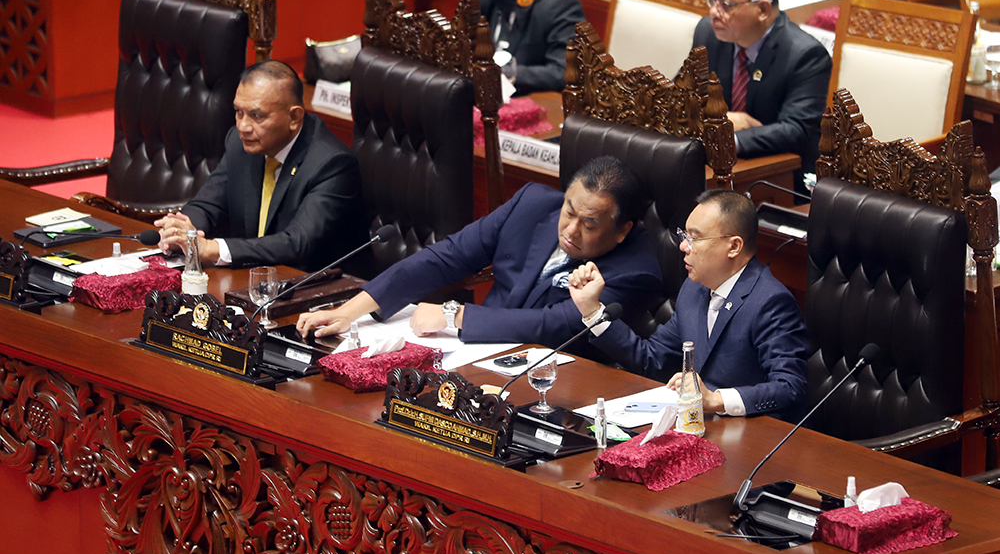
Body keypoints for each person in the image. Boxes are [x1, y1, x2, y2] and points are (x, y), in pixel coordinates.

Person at [297, 156, 662, 350]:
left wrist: (454, 315)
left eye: (590, 224)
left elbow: (554, 325)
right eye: (569, 210)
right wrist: (349, 311)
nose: (570, 230)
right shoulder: (533, 204)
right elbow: (447, 256)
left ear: (622, 230)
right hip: (474, 355)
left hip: (554, 381)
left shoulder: (637, 269)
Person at [569, 189, 809, 418]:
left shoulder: (769, 301)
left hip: (754, 436)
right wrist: (592, 310)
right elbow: (651, 359)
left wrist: (716, 400)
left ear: (734, 246)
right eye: (684, 236)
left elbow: (790, 387)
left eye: (695, 237)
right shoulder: (694, 289)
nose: (683, 246)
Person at [154, 60, 367, 272]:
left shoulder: (332, 164)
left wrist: (211, 248)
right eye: (238, 112)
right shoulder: (242, 144)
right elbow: (208, 205)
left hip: (319, 287)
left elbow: (297, 243)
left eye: (256, 116)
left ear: (294, 117)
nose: (243, 126)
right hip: (256, 280)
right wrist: (181, 231)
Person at [693, 0, 831, 193]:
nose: (714, 12)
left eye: (726, 4)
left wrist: (724, 138)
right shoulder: (709, 33)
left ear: (763, 9)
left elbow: (796, 129)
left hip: (778, 178)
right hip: (716, 167)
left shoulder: (805, 55)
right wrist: (720, 120)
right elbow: (684, 95)